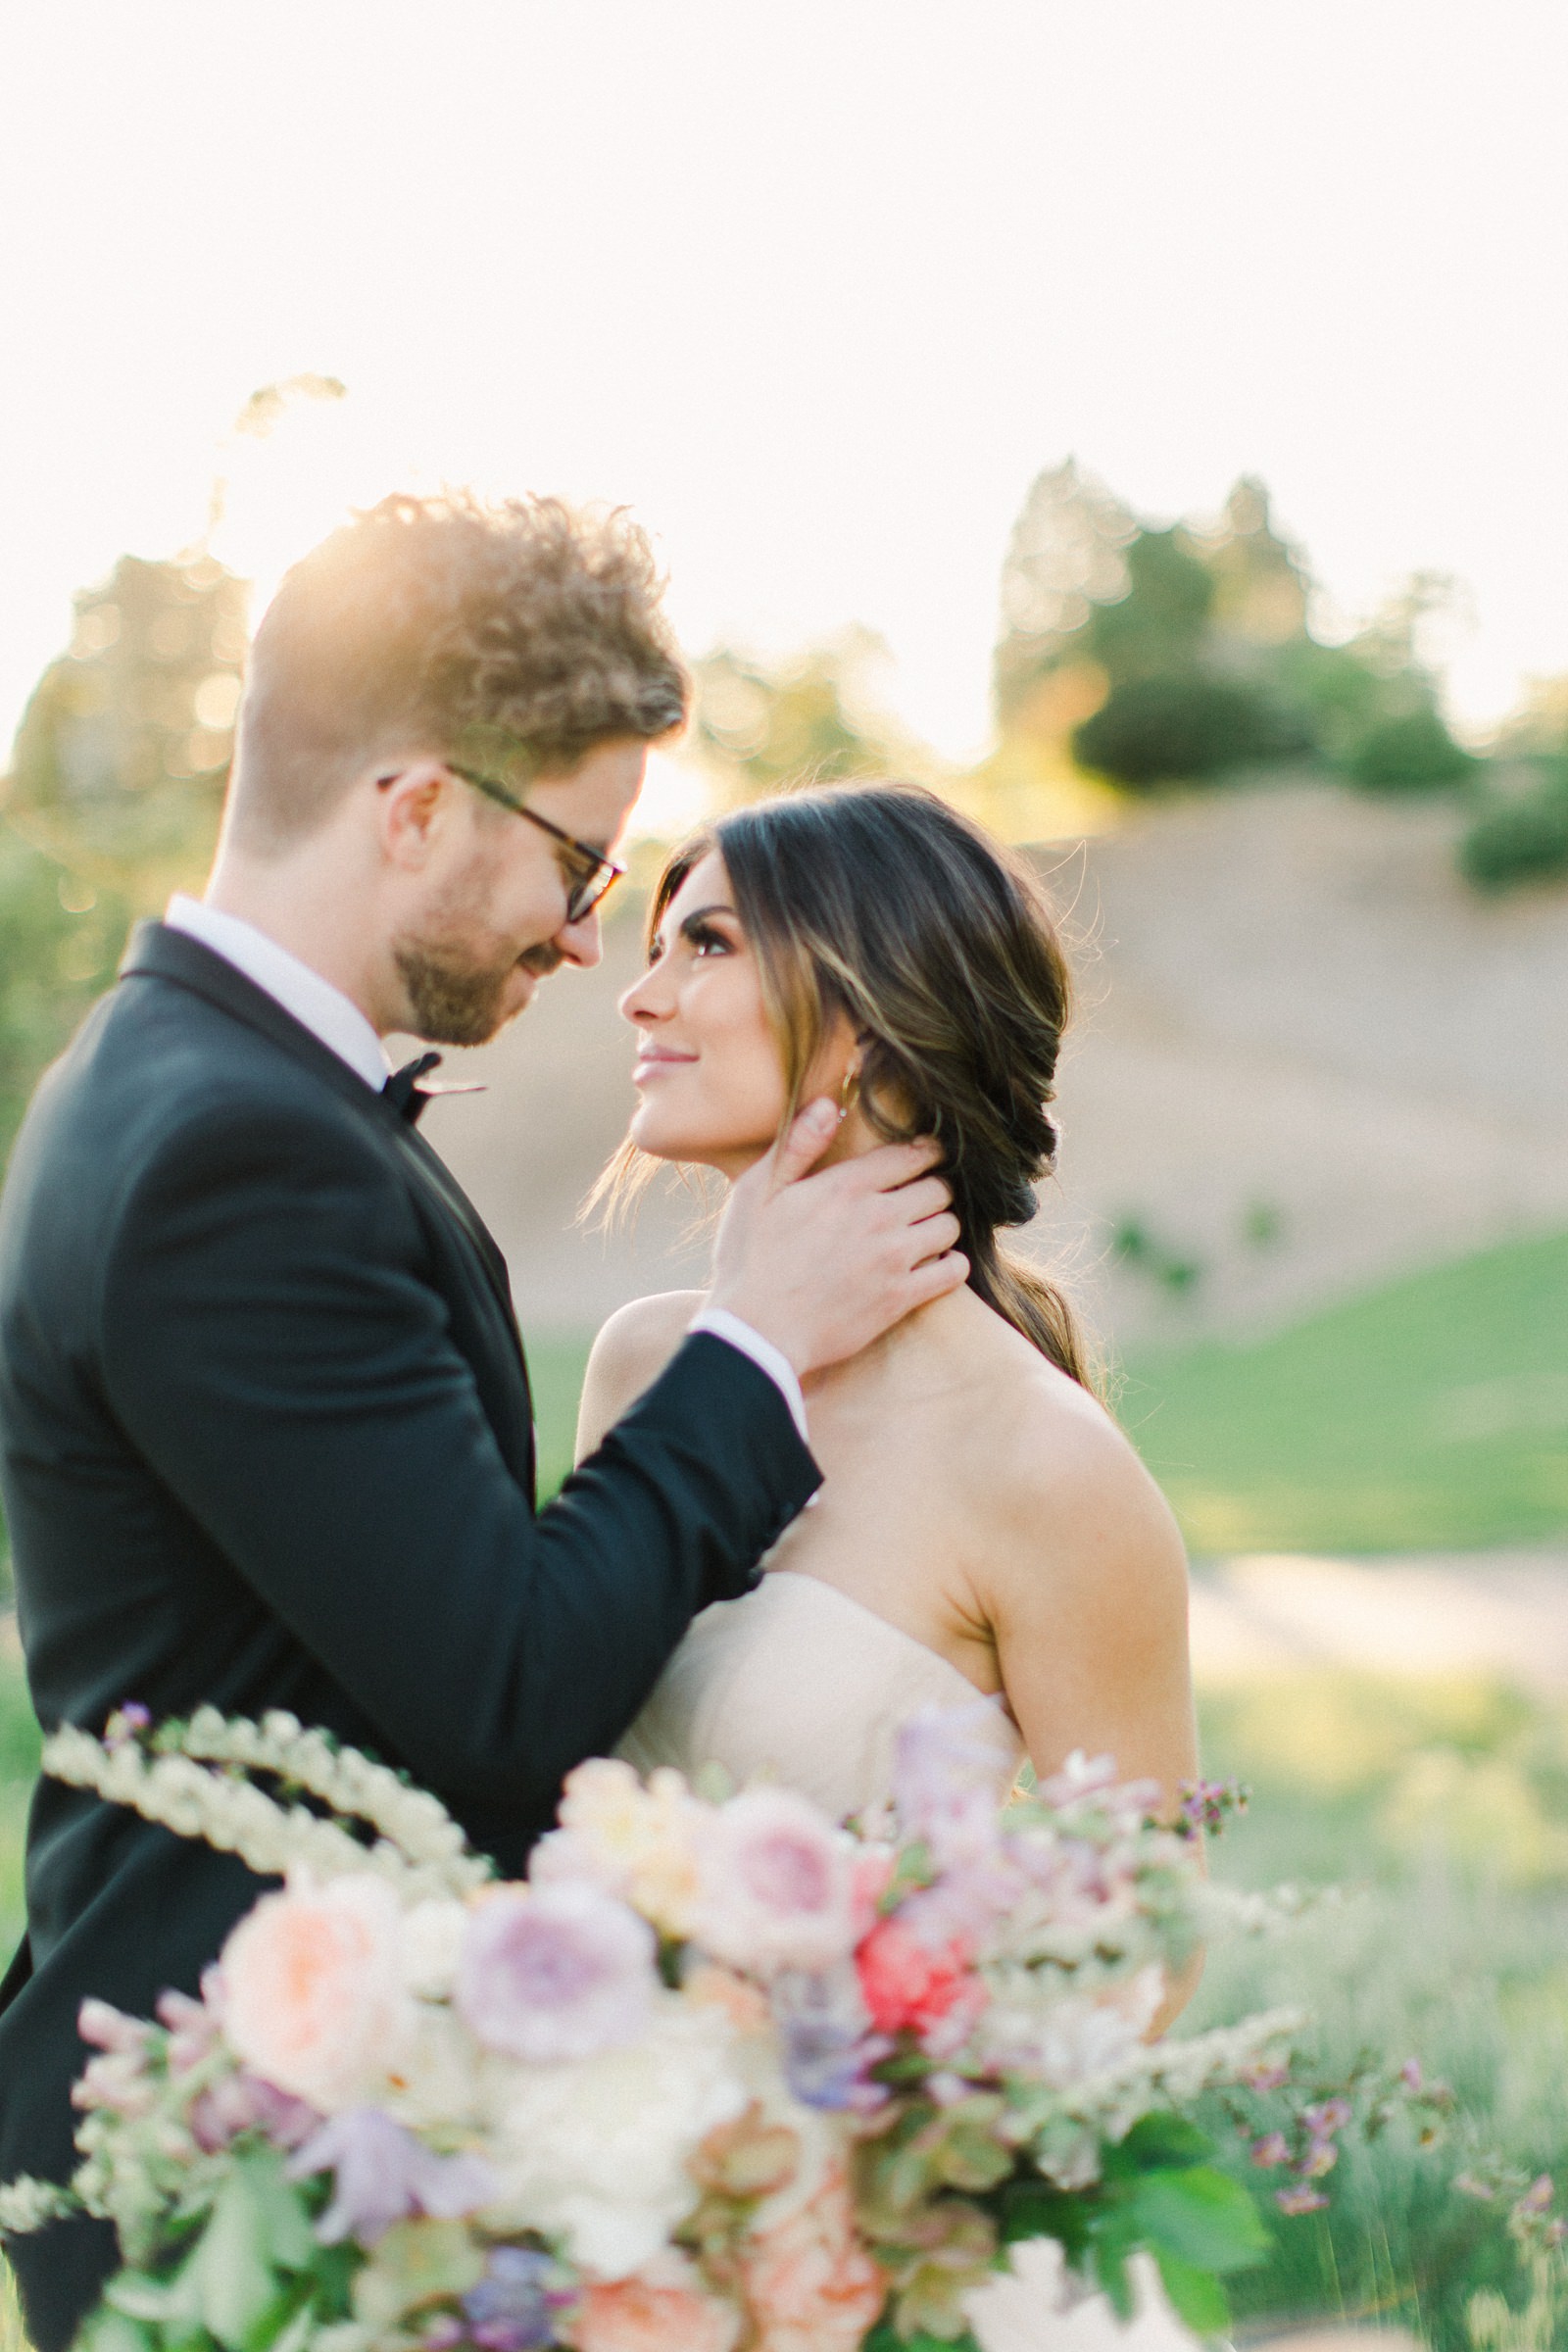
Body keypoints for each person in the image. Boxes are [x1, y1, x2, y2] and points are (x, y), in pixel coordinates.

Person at [0, 502, 966, 2352]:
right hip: (248, 2166)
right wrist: (757, 1342)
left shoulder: (178, 1079)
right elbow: (504, 1680)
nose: (592, 945)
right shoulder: (239, 1154)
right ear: (417, 806)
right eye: (585, 870)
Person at [575, 781, 1202, 2348]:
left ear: (864, 1026)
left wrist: (846, 2179)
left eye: (705, 941)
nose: (642, 991)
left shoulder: (1046, 1468)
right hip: (604, 2212)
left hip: (877, 2252)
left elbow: (1142, 1951)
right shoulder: (643, 1365)